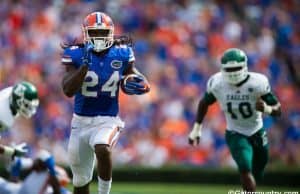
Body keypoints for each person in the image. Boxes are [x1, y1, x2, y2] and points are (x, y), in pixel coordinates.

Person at [61, 11, 150, 194]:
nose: (99, 37)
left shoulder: (122, 53)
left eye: (102, 32)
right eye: (94, 33)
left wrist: (139, 82)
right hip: (80, 123)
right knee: (80, 183)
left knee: (103, 147)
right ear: (86, 34)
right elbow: (68, 90)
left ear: (110, 32)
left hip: (107, 119)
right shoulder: (76, 55)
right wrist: (84, 67)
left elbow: (134, 76)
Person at [188, 48, 281, 191]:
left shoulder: (257, 82)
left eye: (237, 68)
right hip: (235, 132)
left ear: (244, 66)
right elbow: (204, 103)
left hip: (257, 130)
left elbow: (278, 110)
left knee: (259, 169)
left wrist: (267, 109)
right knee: (244, 167)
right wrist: (196, 128)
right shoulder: (217, 83)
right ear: (222, 69)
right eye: (229, 69)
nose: (233, 72)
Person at [0, 149, 70, 194]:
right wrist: (15, 180)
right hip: (17, 190)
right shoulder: (36, 165)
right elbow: (17, 163)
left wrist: (51, 169)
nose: (36, 161)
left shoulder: (49, 173)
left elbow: (57, 186)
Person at [0, 81, 39, 158]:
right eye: (27, 105)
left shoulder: (10, 93)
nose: (30, 108)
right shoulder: (4, 117)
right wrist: (12, 151)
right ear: (17, 101)